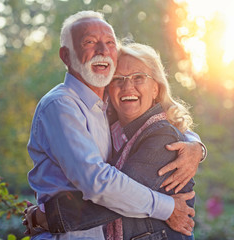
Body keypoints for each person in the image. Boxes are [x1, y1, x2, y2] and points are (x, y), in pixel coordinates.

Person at [25, 10, 206, 240]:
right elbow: (99, 184)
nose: (102, 50)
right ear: (66, 55)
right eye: (89, 42)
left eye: (109, 42)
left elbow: (164, 131)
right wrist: (168, 207)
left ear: (156, 87)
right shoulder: (62, 105)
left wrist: (196, 147)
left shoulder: (106, 107)